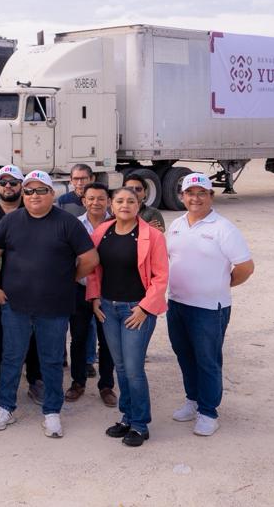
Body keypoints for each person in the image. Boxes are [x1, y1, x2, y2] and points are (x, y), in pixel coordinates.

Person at [0, 170, 98, 438]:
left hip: (54, 307)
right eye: (28, 191)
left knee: (51, 360)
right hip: (15, 305)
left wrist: (69, 278)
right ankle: (5, 407)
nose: (33, 196)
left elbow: (90, 259)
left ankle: (52, 412)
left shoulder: (67, 222)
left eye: (40, 190)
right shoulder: (11, 221)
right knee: (12, 357)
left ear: (51, 193)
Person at [166, 172, 254, 437]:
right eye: (190, 193)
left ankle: (208, 412)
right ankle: (192, 400)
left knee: (208, 360)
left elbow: (245, 267)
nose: (195, 198)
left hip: (209, 308)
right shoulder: (176, 225)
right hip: (177, 303)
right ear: (182, 196)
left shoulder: (223, 228)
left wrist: (221, 285)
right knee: (184, 355)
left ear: (211, 196)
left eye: (201, 193)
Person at [87, 186, 169, 447]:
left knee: (133, 369)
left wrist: (145, 308)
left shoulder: (152, 236)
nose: (125, 205)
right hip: (108, 309)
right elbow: (93, 270)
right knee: (120, 367)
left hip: (136, 310)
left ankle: (140, 425)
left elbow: (161, 277)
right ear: (111, 205)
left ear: (139, 204)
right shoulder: (102, 232)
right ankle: (127, 417)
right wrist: (95, 297)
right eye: (120, 201)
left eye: (131, 201)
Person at [0, 165, 32, 403]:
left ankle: (35, 379)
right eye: (3, 182)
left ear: (22, 185)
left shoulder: (33, 211)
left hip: (28, 284)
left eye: (13, 182)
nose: (8, 186)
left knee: (32, 332)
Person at [69, 183, 117, 407]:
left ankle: (106, 385)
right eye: (91, 198)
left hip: (109, 292)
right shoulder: (74, 225)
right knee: (78, 338)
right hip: (80, 290)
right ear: (83, 201)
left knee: (107, 340)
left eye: (101, 198)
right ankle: (77, 382)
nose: (96, 203)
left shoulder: (118, 225)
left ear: (108, 201)